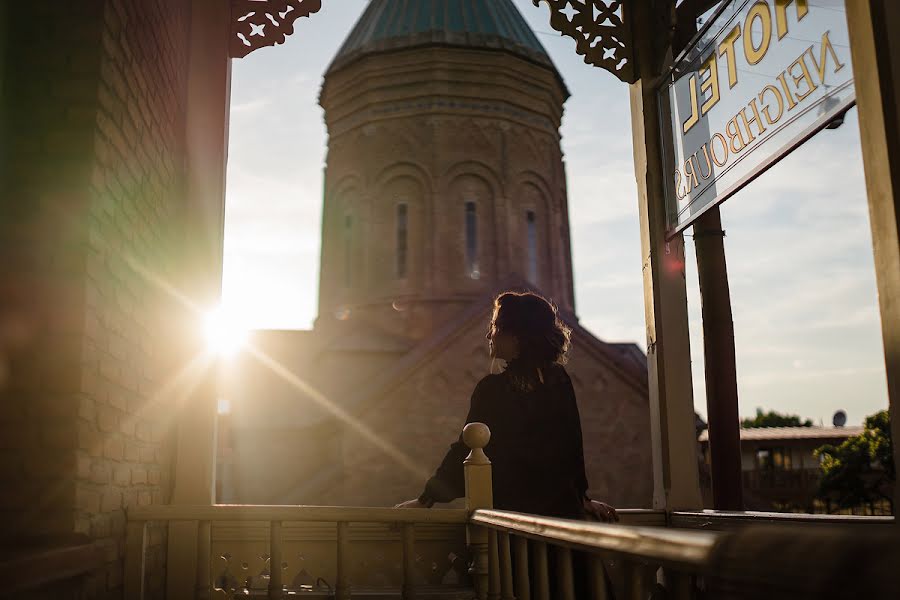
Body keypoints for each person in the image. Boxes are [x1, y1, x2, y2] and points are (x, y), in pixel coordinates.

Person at [395, 291, 617, 523]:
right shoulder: (558, 380)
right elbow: (571, 446)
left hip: (514, 522)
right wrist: (582, 497)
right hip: (563, 519)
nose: (489, 334)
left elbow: (465, 450)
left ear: (517, 336)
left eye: (496, 326)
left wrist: (426, 499)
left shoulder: (492, 390)